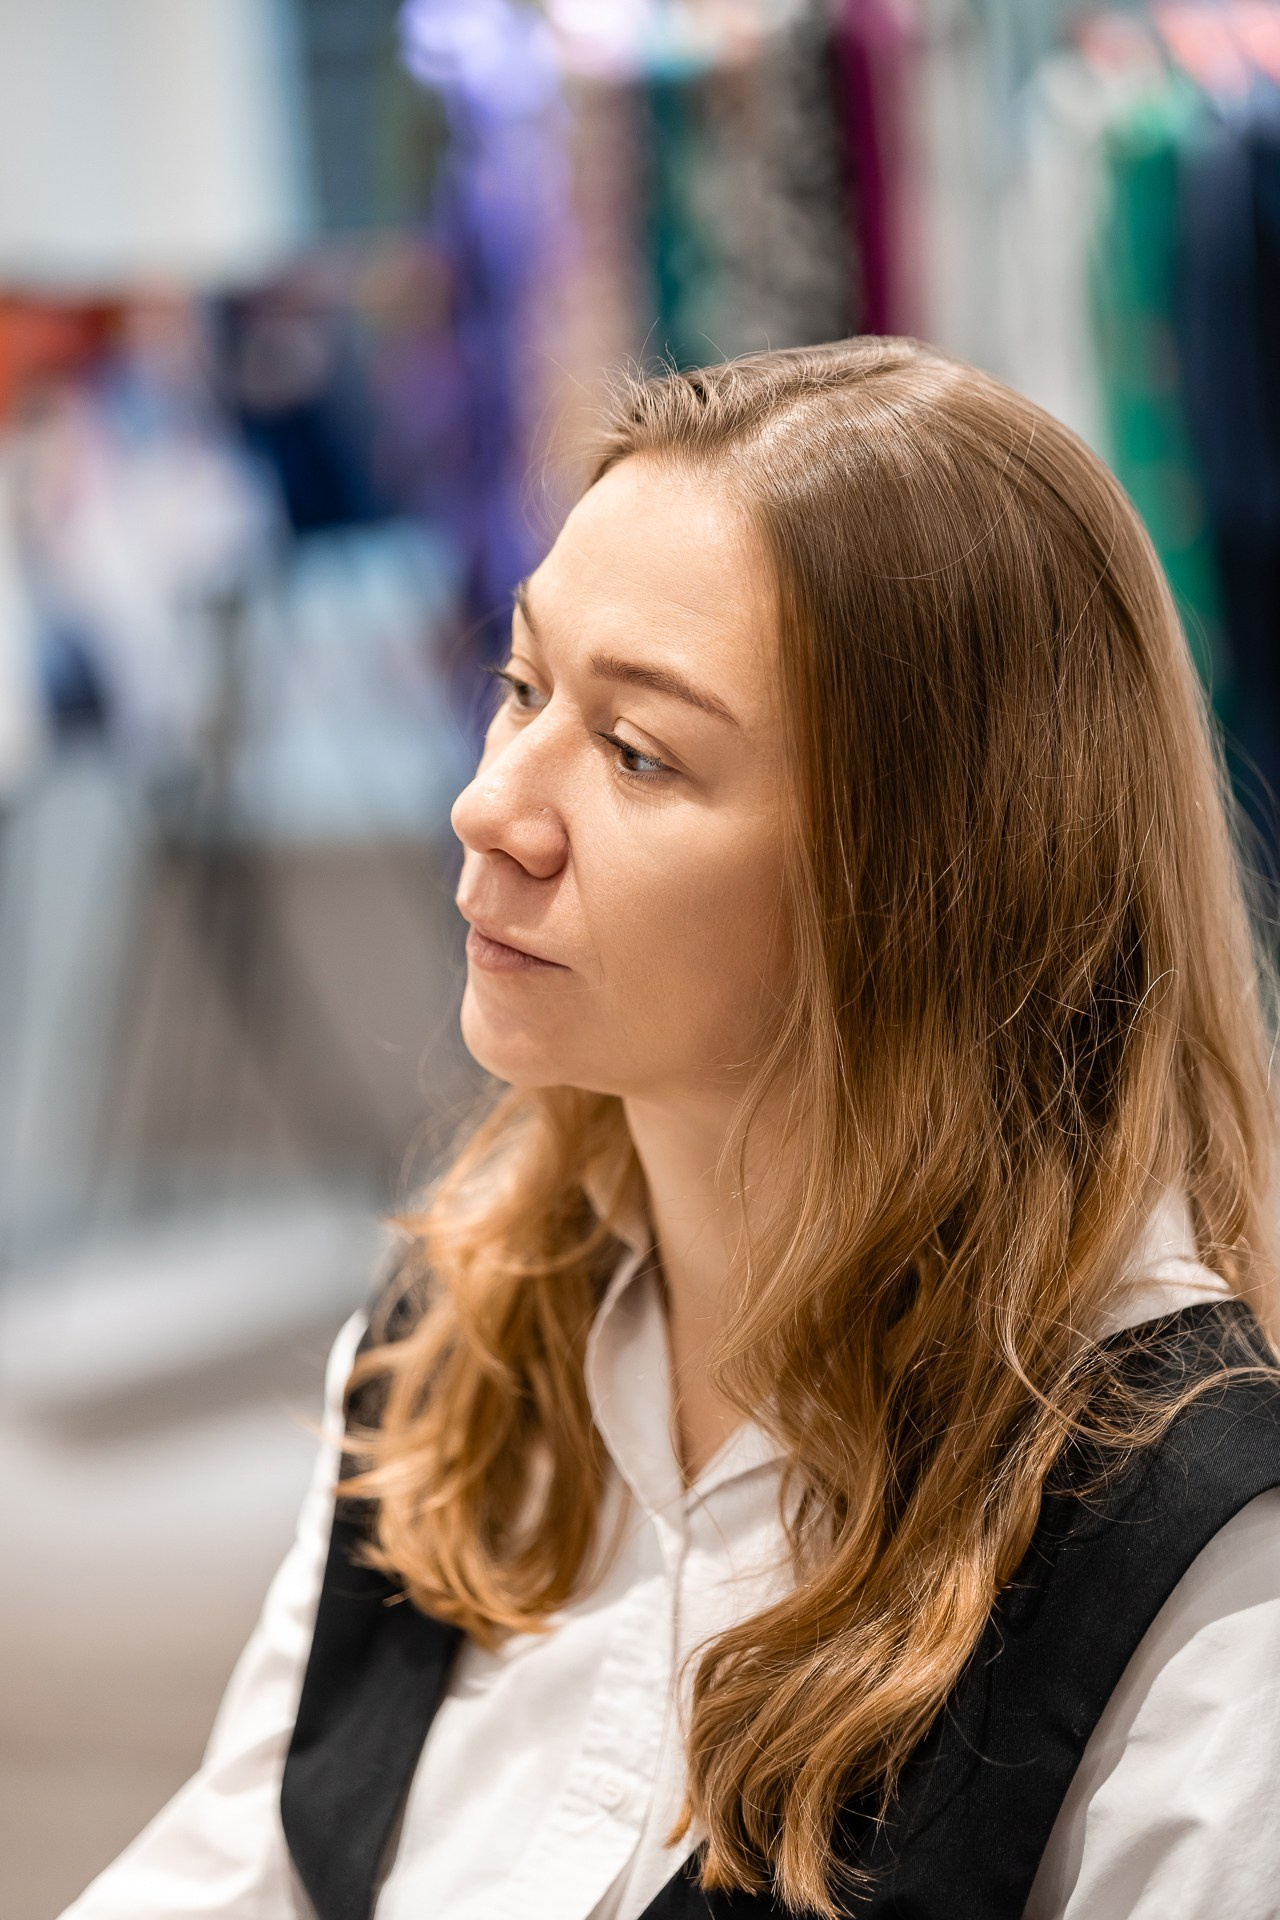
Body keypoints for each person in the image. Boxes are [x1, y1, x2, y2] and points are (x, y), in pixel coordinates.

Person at [61, 338, 1280, 1920]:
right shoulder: (455, 1351)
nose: (492, 803)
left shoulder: (1192, 1562)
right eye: (519, 687)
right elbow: (245, 1871)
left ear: (927, 888)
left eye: (640, 752)